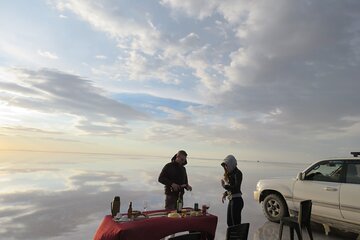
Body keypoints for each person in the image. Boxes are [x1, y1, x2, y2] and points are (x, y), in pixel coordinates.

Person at [221, 154, 244, 226]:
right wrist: (226, 193)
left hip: (237, 201)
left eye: (226, 165)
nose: (225, 167)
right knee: (229, 223)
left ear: (231, 163)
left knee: (235, 224)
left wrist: (225, 186)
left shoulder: (238, 173)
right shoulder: (231, 174)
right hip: (232, 200)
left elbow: (236, 188)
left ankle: (237, 237)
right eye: (225, 166)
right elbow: (232, 188)